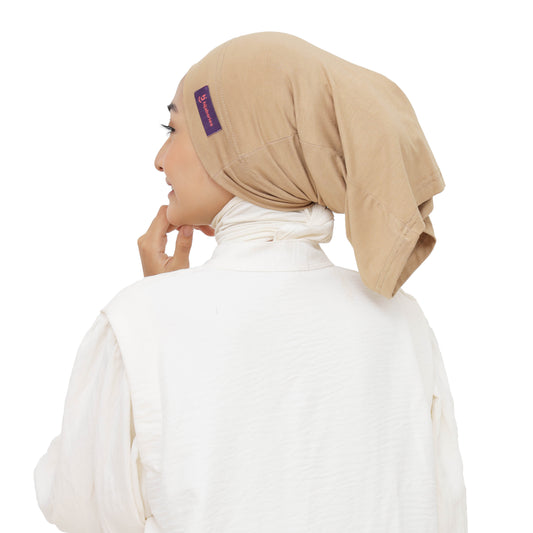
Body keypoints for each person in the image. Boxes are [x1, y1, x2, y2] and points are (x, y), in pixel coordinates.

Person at [34, 32, 468, 532]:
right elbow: (447, 513)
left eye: (173, 129)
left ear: (233, 145)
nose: (159, 158)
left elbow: (77, 503)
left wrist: (159, 302)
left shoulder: (138, 323)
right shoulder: (404, 323)